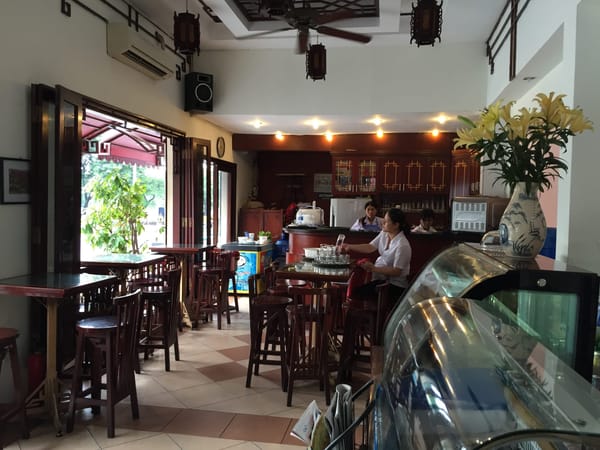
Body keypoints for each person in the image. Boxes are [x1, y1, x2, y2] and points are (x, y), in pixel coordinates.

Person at [342, 208, 412, 301]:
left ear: (396, 225)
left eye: (386, 221)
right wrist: (349, 246)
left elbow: (397, 271)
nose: (383, 222)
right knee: (355, 292)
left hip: (394, 286)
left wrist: (373, 268)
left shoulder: (402, 245)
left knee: (357, 294)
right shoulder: (384, 233)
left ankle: (372, 315)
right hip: (380, 280)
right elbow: (370, 247)